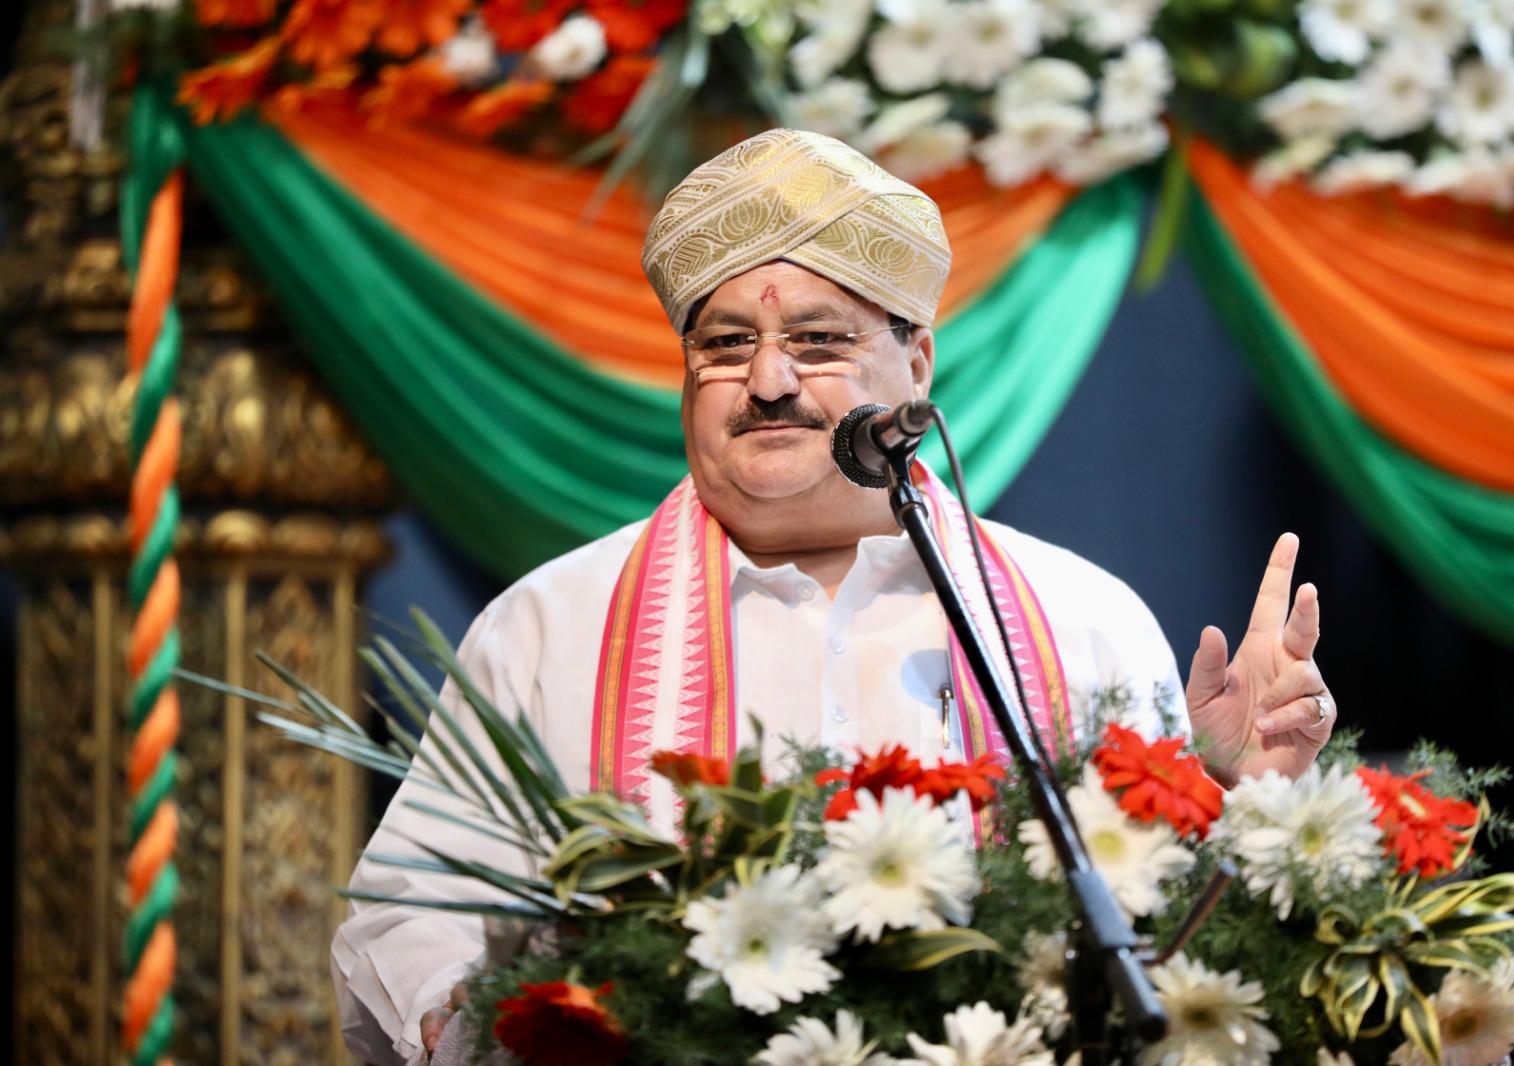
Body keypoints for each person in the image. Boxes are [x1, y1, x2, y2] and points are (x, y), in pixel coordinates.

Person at [331, 129, 1337, 1065]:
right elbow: (407, 910)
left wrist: (1231, 796)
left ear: (918, 365)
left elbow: (1167, 958)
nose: (766, 378)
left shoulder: (1079, 618)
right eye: (722, 346)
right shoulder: (553, 623)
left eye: (817, 341)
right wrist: (468, 1015)